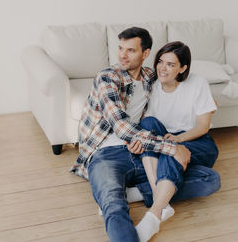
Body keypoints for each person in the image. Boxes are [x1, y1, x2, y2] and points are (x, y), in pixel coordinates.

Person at [70, 27, 221, 242]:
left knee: (209, 179)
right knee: (113, 206)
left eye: (130, 50)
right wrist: (172, 147)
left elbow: (179, 94)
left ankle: (141, 195)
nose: (122, 55)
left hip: (144, 151)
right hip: (107, 154)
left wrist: (207, 105)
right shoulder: (107, 78)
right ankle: (146, 205)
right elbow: (122, 127)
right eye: (120, 48)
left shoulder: (152, 77)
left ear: (146, 54)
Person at [128, 41, 219, 241]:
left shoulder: (197, 83)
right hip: (162, 141)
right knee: (150, 124)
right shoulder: (150, 86)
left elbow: (203, 126)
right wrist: (168, 145)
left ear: (182, 68)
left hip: (196, 141)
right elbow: (146, 126)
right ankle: (157, 212)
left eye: (170, 64)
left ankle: (143, 193)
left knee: (212, 180)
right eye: (161, 61)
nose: (163, 68)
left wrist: (177, 140)